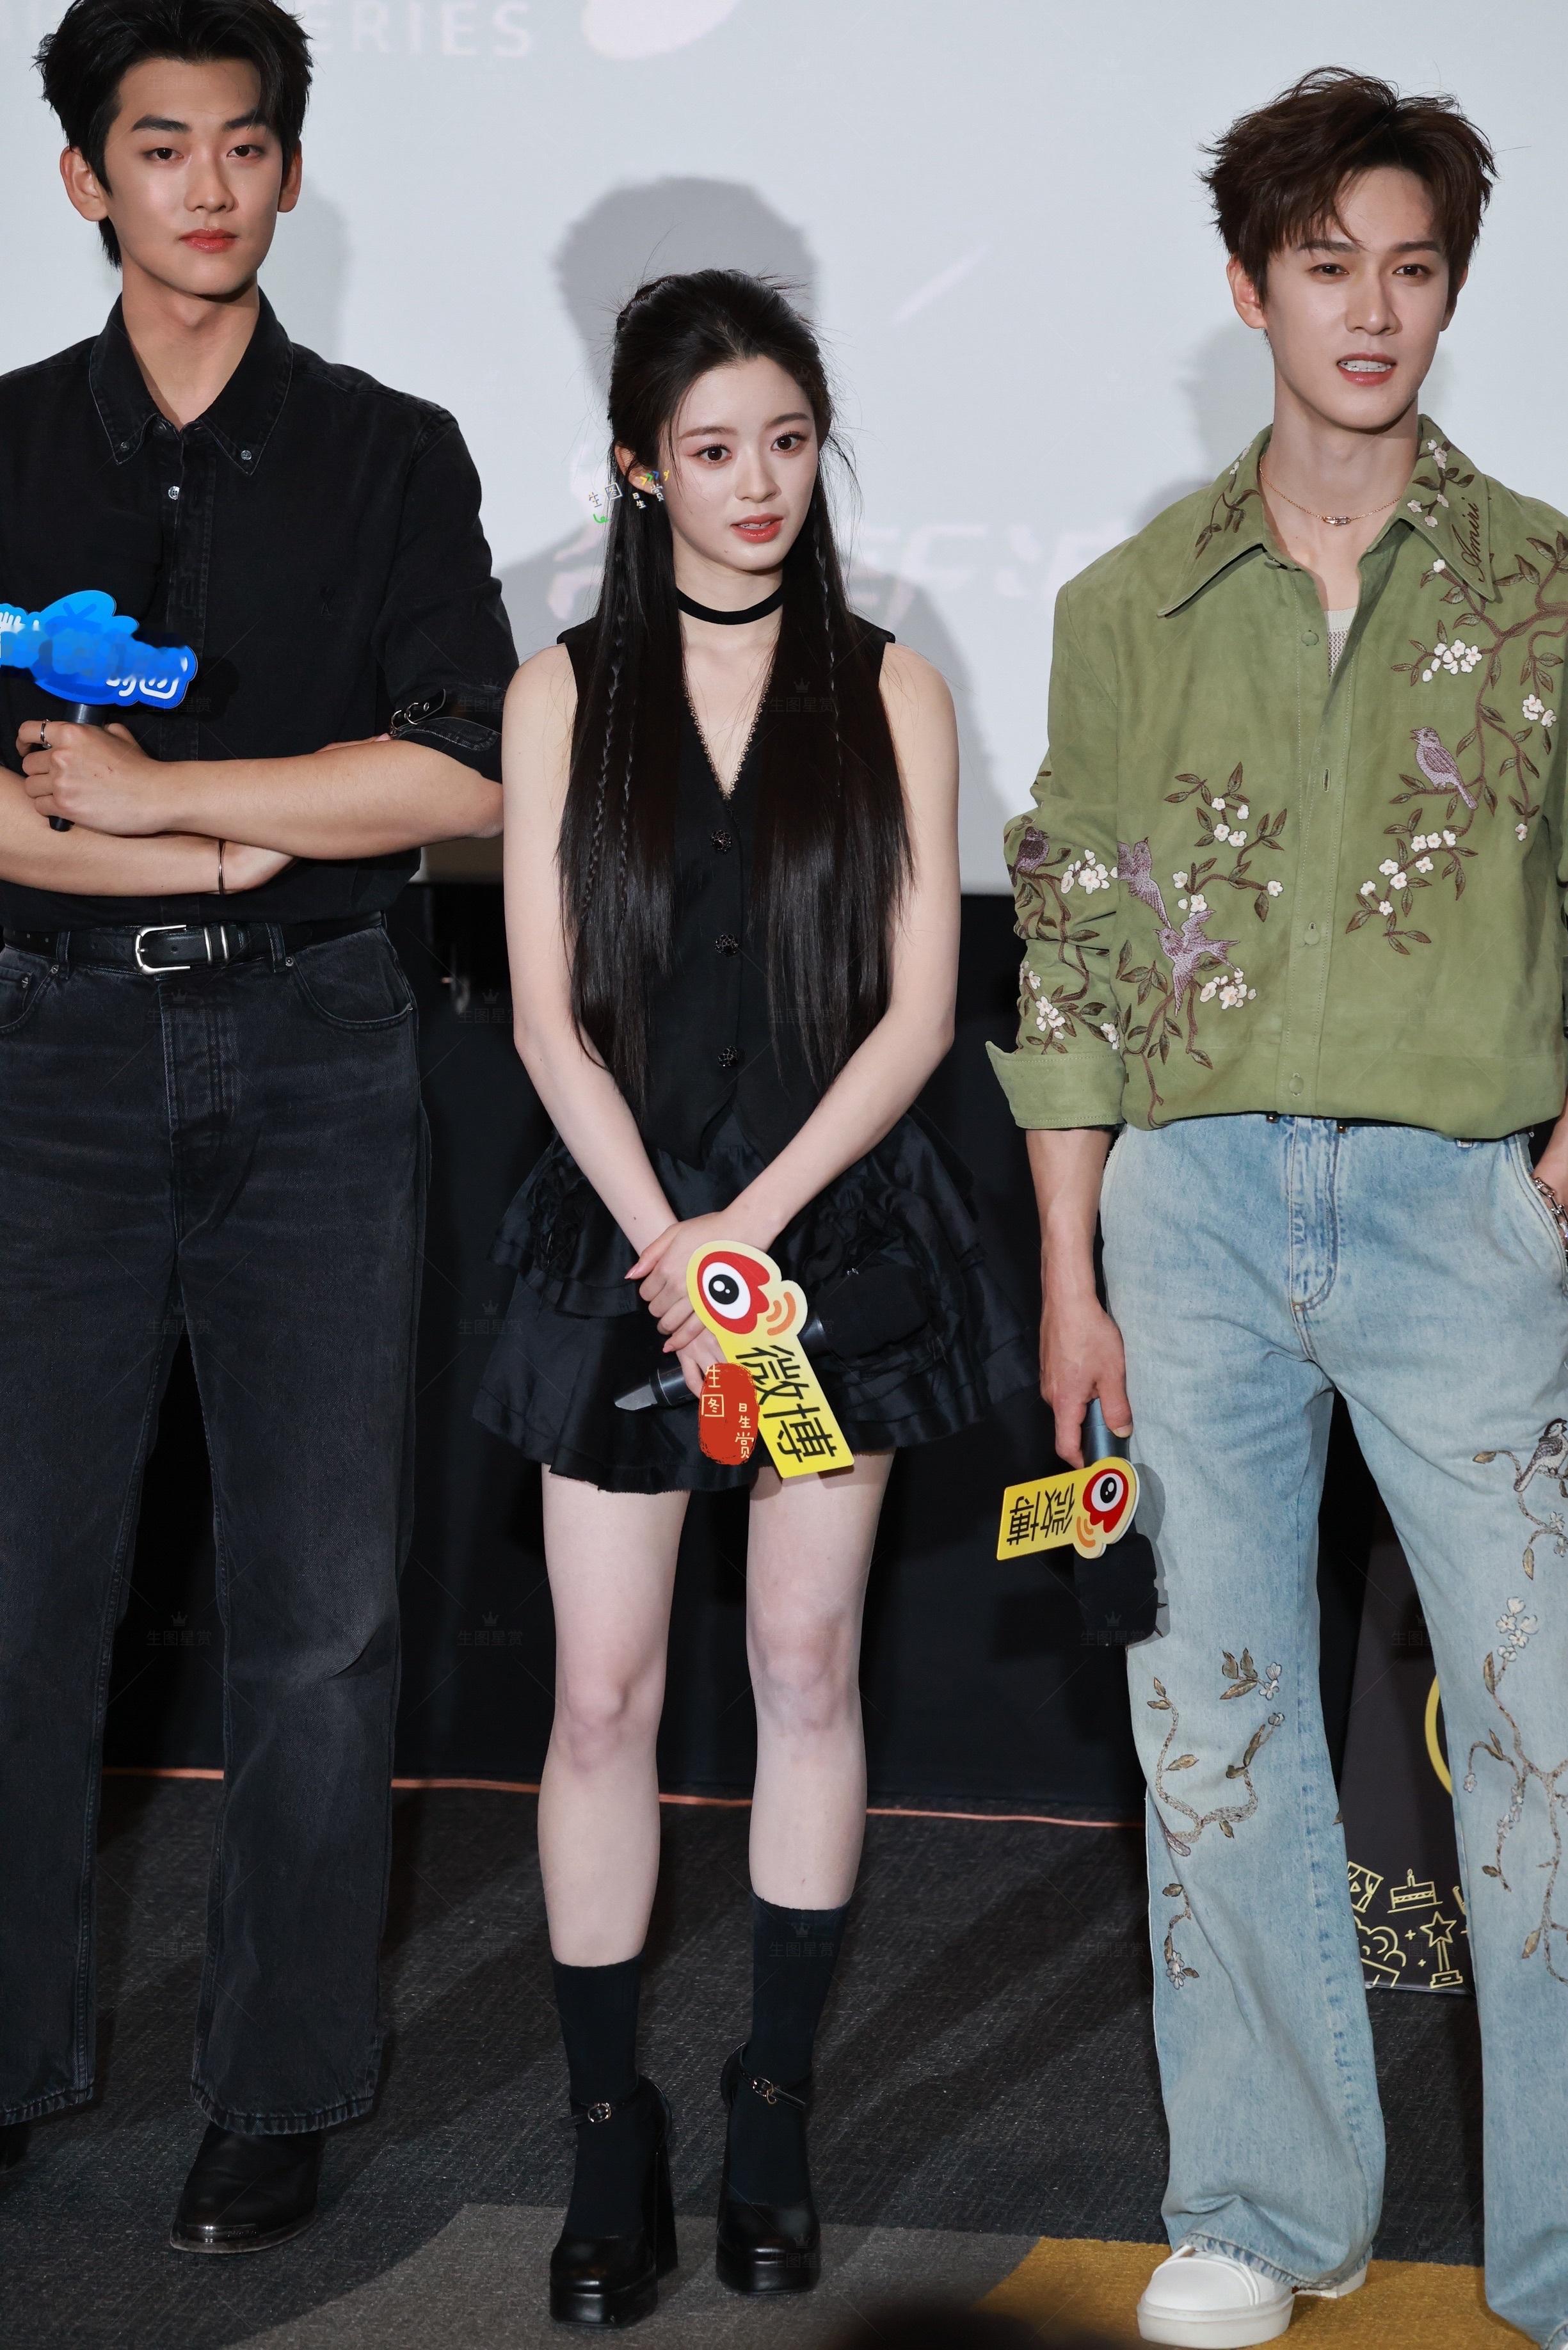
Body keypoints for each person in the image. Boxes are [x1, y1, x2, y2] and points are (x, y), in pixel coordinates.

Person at [991, 67, 1568, 2350]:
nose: (1371, 309)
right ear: (1248, 290)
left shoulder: (1544, 589)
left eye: (1410, 268)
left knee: (1542, 1741)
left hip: (1457, 1214)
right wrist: (1069, 1269)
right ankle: (1254, 2203)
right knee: (1210, 1726)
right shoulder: (1129, 602)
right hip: (1193, 1221)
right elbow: (1073, 955)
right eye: (1326, 266)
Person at [0, 0, 514, 2255]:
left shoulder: (392, 452)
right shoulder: (7, 445)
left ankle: (281, 2085)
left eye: (243, 145)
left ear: (292, 172)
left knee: (316, 1616)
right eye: (159, 145)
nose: (206, 185)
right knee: (23, 1600)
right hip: (44, 1059)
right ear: (84, 179)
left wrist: (167, 806)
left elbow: (461, 766)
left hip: (319, 1056)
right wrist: (216, 839)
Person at [476, 268, 1032, 2324]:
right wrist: (668, 1247)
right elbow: (543, 1015)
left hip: (835, 1256)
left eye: (788, 442)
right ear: (639, 467)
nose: (759, 483)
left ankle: (772, 2108)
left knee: (806, 1669)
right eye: (714, 450)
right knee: (599, 1696)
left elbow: (916, 1012)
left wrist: (753, 1243)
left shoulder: (890, 689)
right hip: (613, 1252)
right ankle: (602, 2134)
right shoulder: (560, 695)